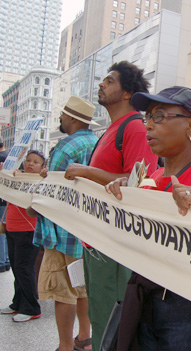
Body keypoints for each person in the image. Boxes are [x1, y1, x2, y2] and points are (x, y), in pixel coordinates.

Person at [105, 86, 191, 351]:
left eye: (159, 116)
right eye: (147, 118)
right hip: (144, 301)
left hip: (189, 310)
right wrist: (121, 199)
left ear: (190, 125)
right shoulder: (149, 180)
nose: (148, 126)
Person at [64, 61, 158, 350]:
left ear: (128, 92)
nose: (102, 84)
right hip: (95, 242)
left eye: (110, 80)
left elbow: (140, 182)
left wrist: (87, 171)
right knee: (101, 315)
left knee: (116, 323)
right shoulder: (111, 130)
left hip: (116, 246)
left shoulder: (135, 129)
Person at [28, 96, 97, 351]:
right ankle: (85, 337)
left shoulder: (67, 146)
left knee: (62, 290)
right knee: (82, 286)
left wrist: (33, 204)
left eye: (63, 115)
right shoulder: (96, 141)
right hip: (87, 230)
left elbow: (51, 188)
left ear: (72, 118)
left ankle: (65, 346)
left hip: (62, 232)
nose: (61, 119)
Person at [0, 150, 45, 322]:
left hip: (28, 230)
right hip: (12, 228)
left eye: (35, 162)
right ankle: (18, 303)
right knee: (16, 268)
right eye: (28, 160)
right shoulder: (16, 177)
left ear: (42, 166)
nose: (30, 164)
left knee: (24, 268)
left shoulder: (40, 182)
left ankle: (31, 307)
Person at [0, 136, 10, 273]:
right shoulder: (8, 155)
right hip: (7, 199)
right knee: (5, 231)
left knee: (1, 232)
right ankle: (6, 260)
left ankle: (2, 261)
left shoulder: (2, 157)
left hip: (2, 199)